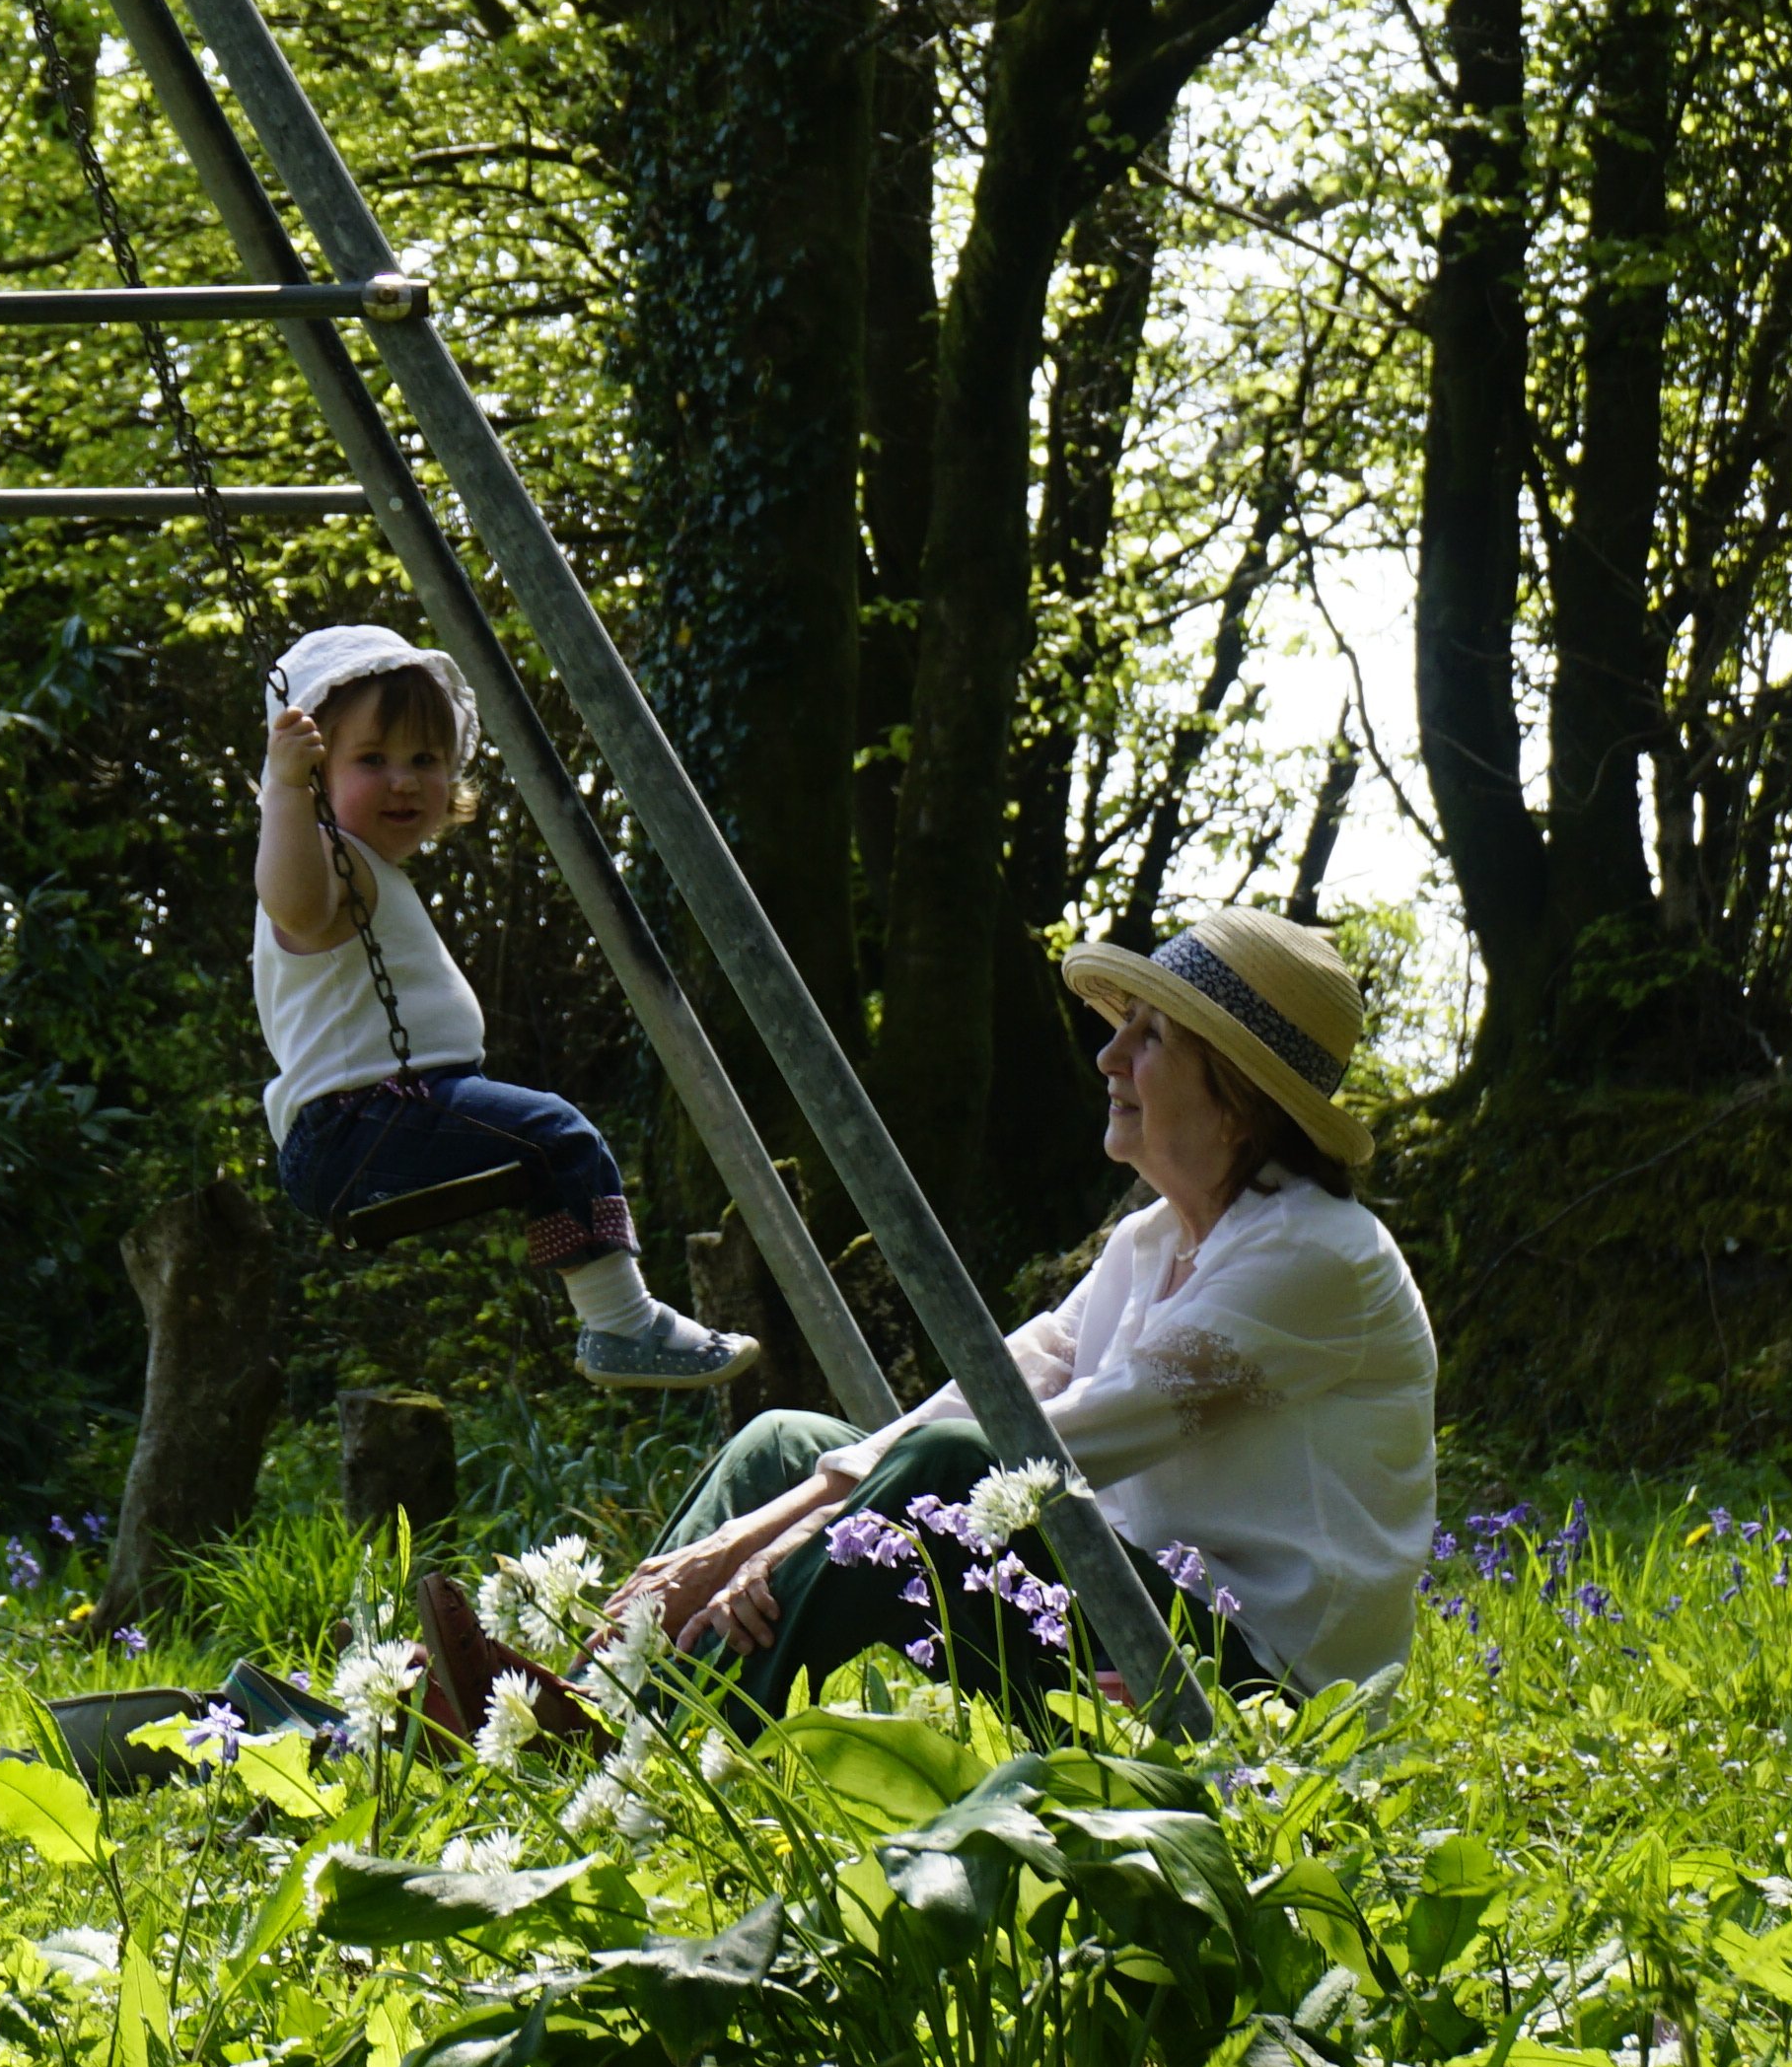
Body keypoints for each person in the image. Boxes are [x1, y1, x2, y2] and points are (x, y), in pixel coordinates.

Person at [561, 905, 1437, 1718]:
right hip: (1132, 1611)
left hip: (1249, 1686)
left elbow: (1042, 1448)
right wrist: (755, 1529)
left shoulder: (1317, 1256)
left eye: (1152, 1035)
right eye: (1122, 1023)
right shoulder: (1152, 1241)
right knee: (783, 1447)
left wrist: (789, 1542)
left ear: (1241, 1097)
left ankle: (643, 1745)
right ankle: (575, 1689)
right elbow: (999, 1387)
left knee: (947, 1471)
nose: (1109, 1055)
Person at [251, 621, 755, 1390]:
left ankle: (615, 1323)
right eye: (372, 760)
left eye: (426, 760)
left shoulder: (373, 871)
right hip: (357, 1125)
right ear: (319, 774)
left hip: (380, 1117)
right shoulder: (322, 853)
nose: (404, 781)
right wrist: (284, 791)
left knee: (546, 1153)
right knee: (560, 1136)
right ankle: (622, 1327)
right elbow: (291, 903)